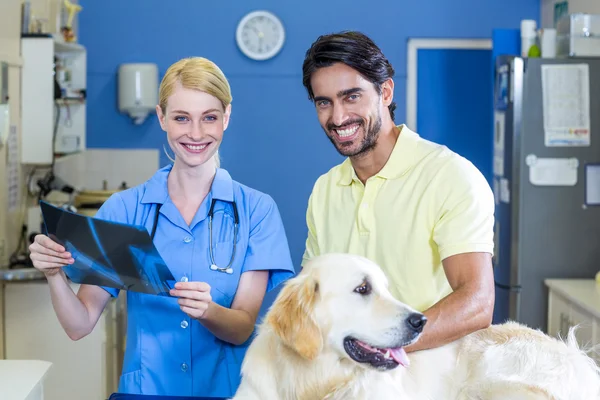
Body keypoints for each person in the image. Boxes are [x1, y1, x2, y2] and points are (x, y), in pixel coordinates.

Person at [28, 57, 295, 397]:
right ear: (161, 118)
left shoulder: (256, 211)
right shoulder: (124, 210)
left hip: (229, 393)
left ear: (226, 117)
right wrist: (53, 275)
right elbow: (79, 325)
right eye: (182, 118)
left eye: (209, 118)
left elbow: (242, 328)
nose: (195, 133)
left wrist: (209, 312)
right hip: (145, 392)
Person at [300, 31, 495, 353]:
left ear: (385, 92)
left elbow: (477, 303)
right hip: (354, 379)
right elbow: (314, 295)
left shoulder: (449, 175)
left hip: (432, 381)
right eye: (325, 102)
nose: (338, 117)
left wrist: (386, 350)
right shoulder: (326, 189)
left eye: (352, 96)